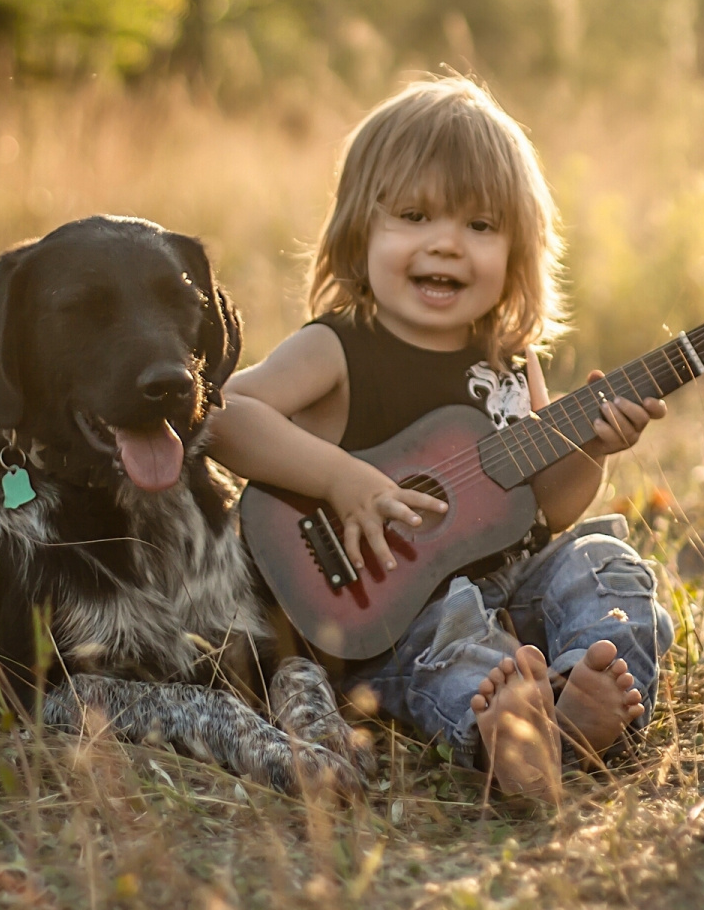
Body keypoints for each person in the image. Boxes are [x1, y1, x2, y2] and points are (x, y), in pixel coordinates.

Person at [207, 78, 675, 802]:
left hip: (514, 586)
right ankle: (509, 737)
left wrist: (591, 451)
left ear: (518, 250)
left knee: (605, 563)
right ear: (361, 232)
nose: (447, 244)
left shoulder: (512, 360)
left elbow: (548, 513)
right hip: (391, 615)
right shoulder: (338, 347)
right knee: (454, 646)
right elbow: (226, 414)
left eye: (481, 227)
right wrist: (340, 479)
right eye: (416, 215)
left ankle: (583, 700)